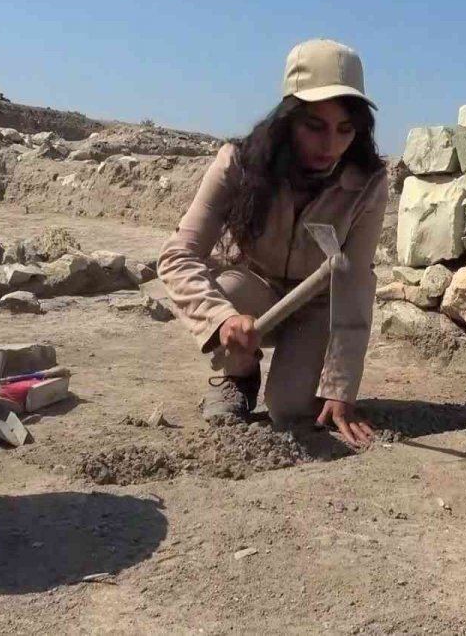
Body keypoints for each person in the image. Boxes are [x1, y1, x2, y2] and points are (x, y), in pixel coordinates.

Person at [158, 39, 387, 447]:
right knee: (226, 293)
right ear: (288, 119)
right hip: (257, 295)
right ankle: (239, 376)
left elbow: (353, 284)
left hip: (318, 306)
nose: (330, 144)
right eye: (315, 126)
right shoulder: (238, 164)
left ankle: (295, 378)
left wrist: (340, 387)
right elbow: (178, 255)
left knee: (291, 410)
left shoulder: (367, 184)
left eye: (345, 130)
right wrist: (222, 320)